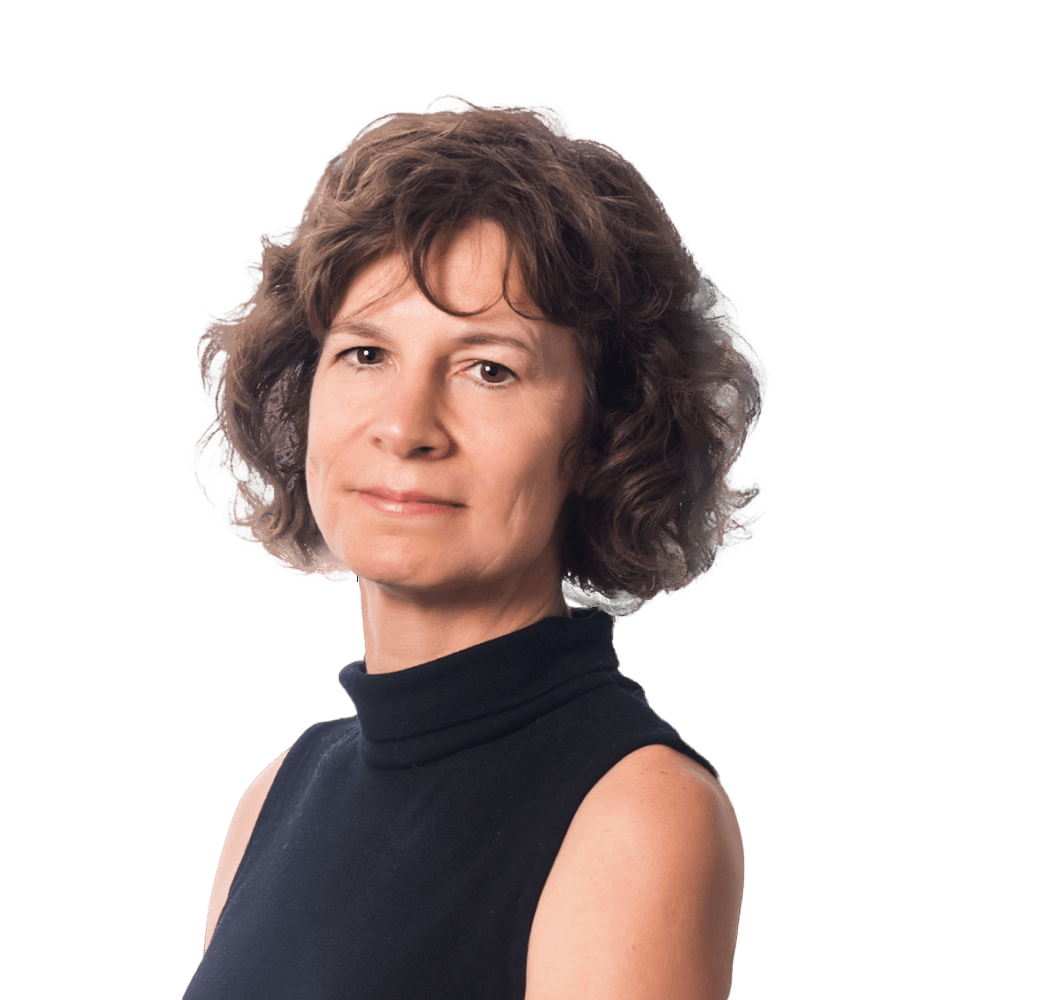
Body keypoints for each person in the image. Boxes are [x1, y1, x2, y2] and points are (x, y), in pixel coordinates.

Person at [185, 95, 768, 999]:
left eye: (488, 369)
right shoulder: (276, 796)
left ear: (604, 435)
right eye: (365, 354)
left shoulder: (635, 813)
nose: (405, 426)